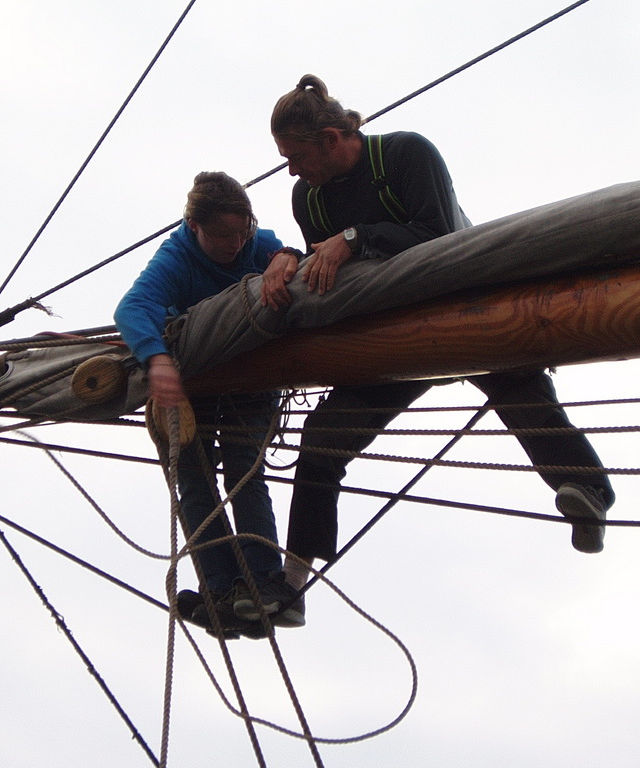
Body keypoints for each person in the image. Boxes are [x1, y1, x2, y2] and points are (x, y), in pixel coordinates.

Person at [260, 75, 616, 615]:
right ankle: (292, 585)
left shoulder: (404, 155)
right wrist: (289, 254)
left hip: (459, 304)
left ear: (333, 139)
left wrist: (357, 238)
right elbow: (320, 259)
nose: (291, 169)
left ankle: (587, 493)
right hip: (389, 332)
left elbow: (439, 236)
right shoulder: (307, 198)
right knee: (322, 438)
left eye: (297, 155)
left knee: (519, 387)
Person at [114, 171, 303, 636]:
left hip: (252, 380)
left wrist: (285, 258)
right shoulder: (176, 258)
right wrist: (157, 360)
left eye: (243, 233)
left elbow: (285, 250)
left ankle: (263, 583)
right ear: (194, 227)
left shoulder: (256, 243)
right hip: (194, 385)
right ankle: (221, 589)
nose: (236, 245)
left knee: (244, 470)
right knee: (195, 483)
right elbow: (132, 308)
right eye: (223, 235)